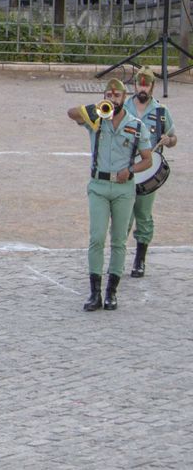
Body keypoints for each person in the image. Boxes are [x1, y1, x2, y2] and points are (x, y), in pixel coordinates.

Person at [67, 80, 153, 312]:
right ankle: (94, 292)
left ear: (125, 97)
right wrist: (97, 107)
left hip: (123, 188)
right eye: (109, 94)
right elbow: (71, 113)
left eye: (117, 95)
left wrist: (131, 170)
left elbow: (148, 159)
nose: (113, 98)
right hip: (99, 185)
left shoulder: (135, 125)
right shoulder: (97, 119)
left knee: (118, 241)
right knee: (96, 237)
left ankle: (111, 292)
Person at [124, 67, 175, 279]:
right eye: (140, 84)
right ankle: (117, 260)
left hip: (147, 170)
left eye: (147, 84)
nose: (142, 88)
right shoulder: (124, 106)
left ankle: (140, 260)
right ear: (135, 85)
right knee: (122, 217)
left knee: (143, 216)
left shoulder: (162, 112)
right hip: (125, 168)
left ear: (152, 87)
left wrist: (168, 140)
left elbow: (173, 139)